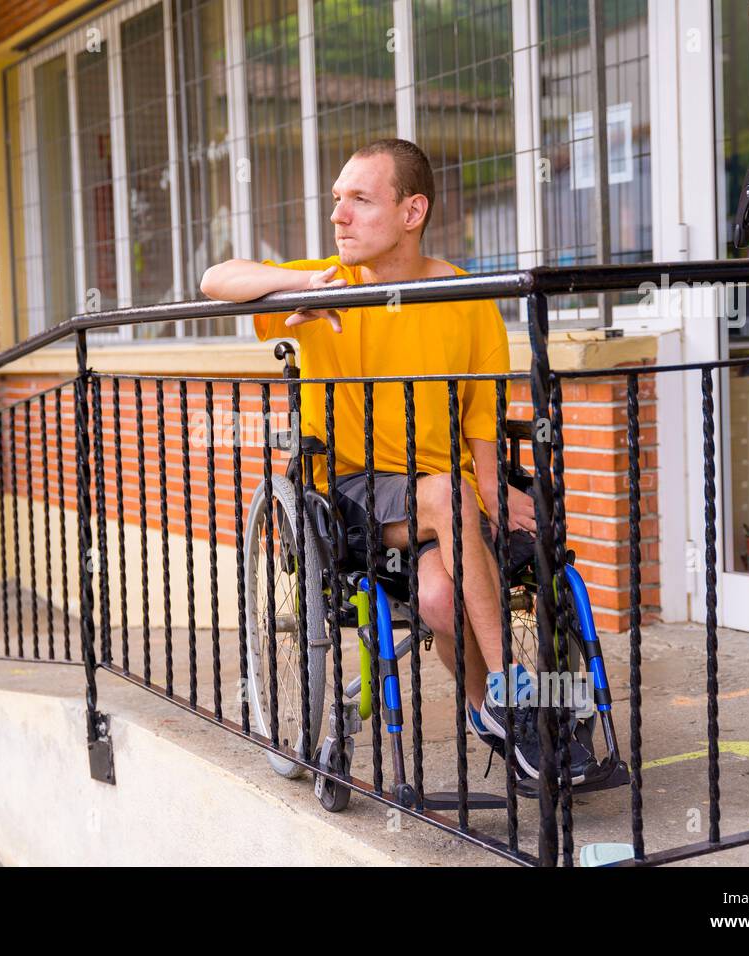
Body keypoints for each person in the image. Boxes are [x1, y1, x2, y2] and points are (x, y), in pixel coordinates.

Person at [200, 138, 590, 781]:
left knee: (439, 597)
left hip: (445, 496)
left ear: (412, 212)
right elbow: (216, 279)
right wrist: (301, 285)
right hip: (350, 494)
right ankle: (520, 700)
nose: (338, 216)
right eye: (336, 200)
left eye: (359, 199)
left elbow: (480, 420)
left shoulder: (466, 295)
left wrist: (498, 492)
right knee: (446, 495)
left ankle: (487, 711)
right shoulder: (331, 284)